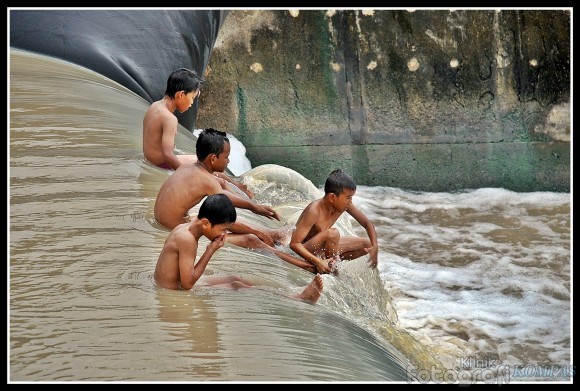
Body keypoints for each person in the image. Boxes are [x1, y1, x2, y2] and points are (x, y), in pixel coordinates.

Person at [154, 128, 317, 273]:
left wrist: (252, 205)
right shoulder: (206, 180)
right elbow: (224, 199)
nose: (229, 162)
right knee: (251, 239)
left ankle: (275, 235)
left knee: (231, 219)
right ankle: (303, 265)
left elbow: (220, 187)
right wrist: (255, 207)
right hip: (176, 226)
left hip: (168, 221)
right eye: (226, 157)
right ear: (212, 158)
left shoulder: (188, 167)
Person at [154, 194, 324, 304]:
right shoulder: (187, 239)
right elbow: (188, 284)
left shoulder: (187, 229)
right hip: (172, 292)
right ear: (205, 223)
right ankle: (297, 299)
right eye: (222, 229)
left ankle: (290, 293)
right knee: (237, 285)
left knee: (235, 278)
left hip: (176, 285)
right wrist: (210, 251)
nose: (224, 234)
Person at [142, 68, 252, 198]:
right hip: (161, 163)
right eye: (192, 98)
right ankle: (241, 195)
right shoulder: (169, 119)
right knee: (211, 166)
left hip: (152, 159)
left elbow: (154, 140)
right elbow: (167, 154)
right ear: (181, 95)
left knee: (206, 164)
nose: (192, 103)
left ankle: (239, 186)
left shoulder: (155, 106)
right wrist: (186, 175)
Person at [289, 169, 378, 274]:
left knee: (367, 244)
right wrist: (318, 262)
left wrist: (375, 246)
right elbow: (294, 244)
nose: (351, 201)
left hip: (322, 250)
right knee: (333, 233)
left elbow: (367, 224)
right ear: (332, 197)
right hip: (307, 249)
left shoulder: (344, 205)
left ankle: (332, 263)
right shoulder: (314, 211)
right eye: (348, 197)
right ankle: (330, 270)